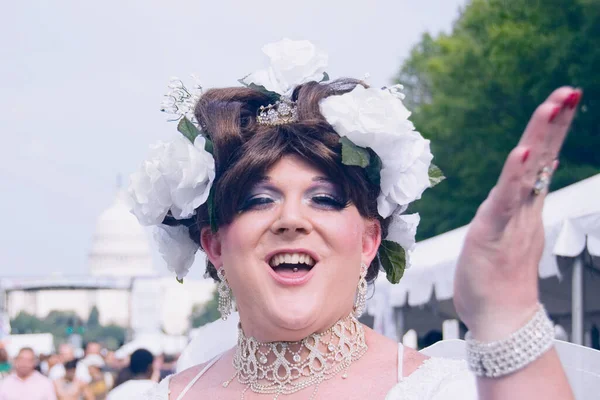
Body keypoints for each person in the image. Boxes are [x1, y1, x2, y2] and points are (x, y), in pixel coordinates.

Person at [131, 39, 578, 399]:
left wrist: (507, 316)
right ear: (215, 246)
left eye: (324, 199)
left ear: (368, 241)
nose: (291, 219)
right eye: (258, 200)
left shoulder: (448, 391)